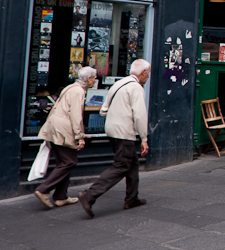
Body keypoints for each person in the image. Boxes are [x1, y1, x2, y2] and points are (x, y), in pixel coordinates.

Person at [79, 59, 150, 218]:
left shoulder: (118, 84)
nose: (148, 77)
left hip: (111, 129)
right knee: (121, 166)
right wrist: (144, 138)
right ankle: (89, 195)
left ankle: (131, 199)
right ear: (143, 72)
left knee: (132, 164)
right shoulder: (136, 87)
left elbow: (103, 110)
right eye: (148, 73)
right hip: (124, 132)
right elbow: (139, 115)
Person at [33, 67, 97, 209]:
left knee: (63, 162)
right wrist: (80, 136)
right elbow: (76, 115)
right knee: (69, 162)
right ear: (88, 79)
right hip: (63, 128)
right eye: (94, 78)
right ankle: (43, 189)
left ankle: (60, 197)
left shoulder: (70, 87)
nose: (95, 81)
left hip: (54, 126)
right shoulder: (79, 91)